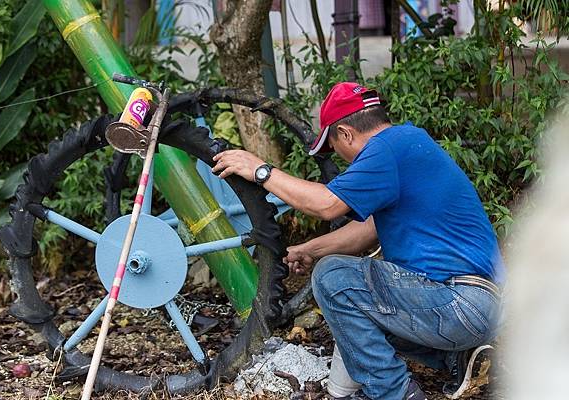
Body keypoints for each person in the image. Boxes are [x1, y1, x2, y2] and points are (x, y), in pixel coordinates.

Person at [212, 82, 504, 400]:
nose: (339, 157)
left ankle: (392, 393)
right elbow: (369, 229)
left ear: (347, 134)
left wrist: (261, 171)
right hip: (476, 305)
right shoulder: (407, 144)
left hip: (457, 303)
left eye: (333, 145)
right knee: (358, 321)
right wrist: (309, 249)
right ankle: (458, 359)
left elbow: (326, 205)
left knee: (333, 277)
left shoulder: (386, 149)